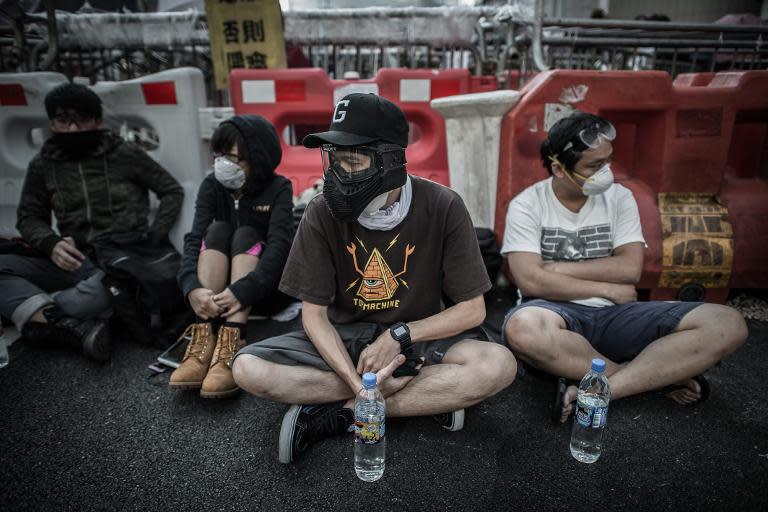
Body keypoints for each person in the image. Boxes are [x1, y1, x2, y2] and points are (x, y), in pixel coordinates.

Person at [231, 93, 517, 463]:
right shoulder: (321, 212)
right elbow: (314, 315)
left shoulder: (443, 205)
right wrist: (359, 386)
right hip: (344, 339)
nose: (340, 175)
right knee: (248, 369)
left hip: (417, 339)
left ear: (391, 160)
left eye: (353, 161)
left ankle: (336, 413)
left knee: (499, 365)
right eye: (335, 162)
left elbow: (473, 310)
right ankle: (422, 400)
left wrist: (400, 335)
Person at [500, 112, 748, 423]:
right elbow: (531, 280)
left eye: (608, 161)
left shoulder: (620, 198)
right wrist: (605, 286)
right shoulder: (528, 204)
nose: (606, 173)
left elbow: (631, 268)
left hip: (614, 313)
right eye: (594, 166)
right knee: (523, 330)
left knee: (727, 323)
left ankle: (606, 388)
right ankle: (656, 379)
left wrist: (556, 269)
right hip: (552, 312)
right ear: (559, 169)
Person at [0, 82, 183, 361]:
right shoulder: (44, 164)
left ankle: (38, 315)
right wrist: (51, 244)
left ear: (97, 120)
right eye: (63, 120)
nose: (73, 129)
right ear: (51, 123)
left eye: (81, 119)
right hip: (73, 258)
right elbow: (29, 216)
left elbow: (171, 190)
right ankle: (65, 323)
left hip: (121, 261)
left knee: (104, 294)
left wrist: (153, 237)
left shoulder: (124, 154)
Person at [171, 115, 294, 398]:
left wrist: (245, 289)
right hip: (217, 291)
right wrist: (192, 288)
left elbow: (280, 247)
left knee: (245, 235)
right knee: (216, 230)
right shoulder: (211, 186)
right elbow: (194, 239)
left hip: (263, 289)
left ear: (256, 157)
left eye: (233, 156)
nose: (223, 162)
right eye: (220, 154)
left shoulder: (279, 188)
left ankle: (232, 337)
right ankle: (203, 333)